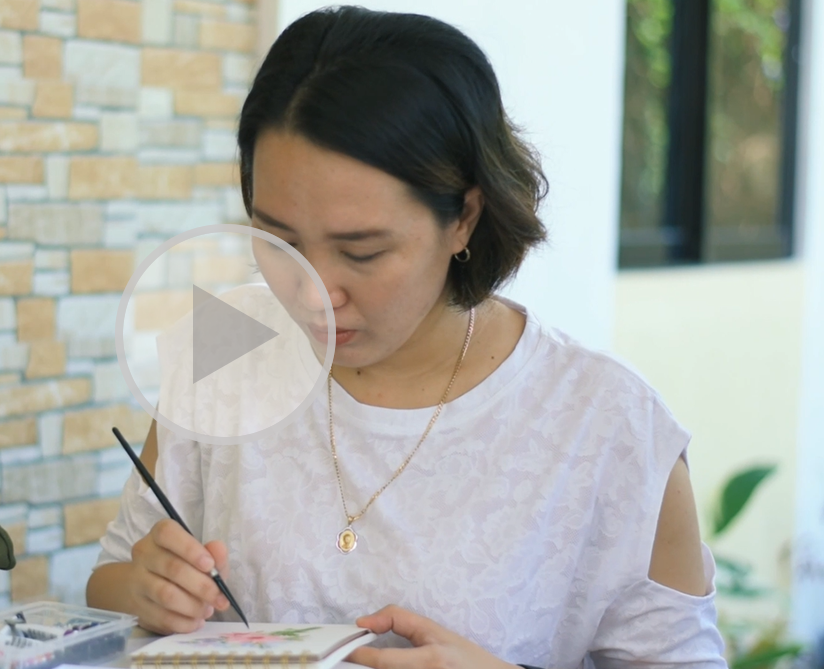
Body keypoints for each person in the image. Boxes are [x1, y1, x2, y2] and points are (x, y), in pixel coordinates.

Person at [86, 6, 728, 668]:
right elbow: (110, 584)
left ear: (464, 217)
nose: (314, 291)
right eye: (278, 242)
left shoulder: (606, 422)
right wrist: (145, 588)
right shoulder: (227, 343)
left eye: (361, 251)